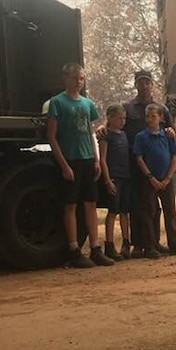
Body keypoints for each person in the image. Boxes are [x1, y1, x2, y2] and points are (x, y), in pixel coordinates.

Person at [99, 70, 176, 258]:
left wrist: (172, 135)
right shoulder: (128, 107)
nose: (144, 86)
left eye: (147, 82)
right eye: (140, 82)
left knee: (161, 208)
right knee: (139, 206)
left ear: (152, 84)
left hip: (159, 163)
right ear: (135, 84)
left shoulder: (161, 108)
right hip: (135, 162)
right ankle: (138, 244)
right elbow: (114, 121)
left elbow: (170, 130)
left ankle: (158, 242)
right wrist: (102, 126)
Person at [44, 63, 115, 268]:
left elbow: (91, 133)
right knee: (71, 205)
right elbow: (51, 136)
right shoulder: (56, 103)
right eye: (75, 78)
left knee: (90, 203)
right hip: (70, 160)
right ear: (65, 78)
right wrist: (64, 165)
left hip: (86, 160)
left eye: (82, 78)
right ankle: (74, 249)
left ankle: (95, 248)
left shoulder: (87, 104)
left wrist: (96, 160)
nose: (79, 82)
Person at [133, 103, 176, 258]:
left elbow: (174, 156)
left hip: (166, 179)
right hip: (150, 180)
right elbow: (139, 158)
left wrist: (168, 177)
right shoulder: (141, 137)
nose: (150, 119)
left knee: (170, 211)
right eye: (147, 116)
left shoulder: (168, 136)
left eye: (153, 116)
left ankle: (174, 243)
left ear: (161, 118)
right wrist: (150, 177)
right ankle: (150, 245)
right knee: (149, 212)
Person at [98, 104, 131, 260]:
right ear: (110, 118)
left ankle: (126, 242)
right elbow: (103, 159)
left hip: (125, 176)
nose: (122, 121)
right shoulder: (106, 136)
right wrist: (107, 180)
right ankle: (109, 245)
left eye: (124, 118)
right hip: (114, 177)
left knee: (124, 211)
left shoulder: (124, 135)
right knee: (113, 211)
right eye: (119, 118)